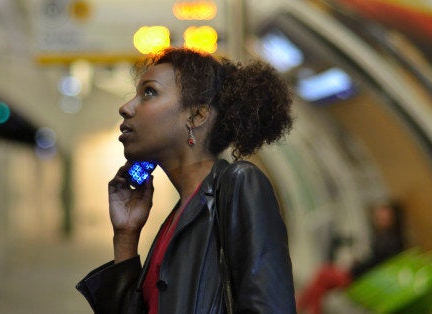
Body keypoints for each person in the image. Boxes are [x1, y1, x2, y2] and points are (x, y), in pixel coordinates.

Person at [76, 47, 296, 313]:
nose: (125, 107)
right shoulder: (179, 214)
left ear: (197, 116)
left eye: (149, 92)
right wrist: (125, 236)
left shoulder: (240, 184)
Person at [296, 201, 406, 314]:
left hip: (357, 278)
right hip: (357, 275)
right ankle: (303, 308)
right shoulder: (385, 238)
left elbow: (375, 264)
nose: (379, 218)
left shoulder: (390, 242)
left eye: (384, 216)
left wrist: (358, 264)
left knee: (323, 274)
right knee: (319, 287)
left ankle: (298, 307)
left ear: (393, 217)